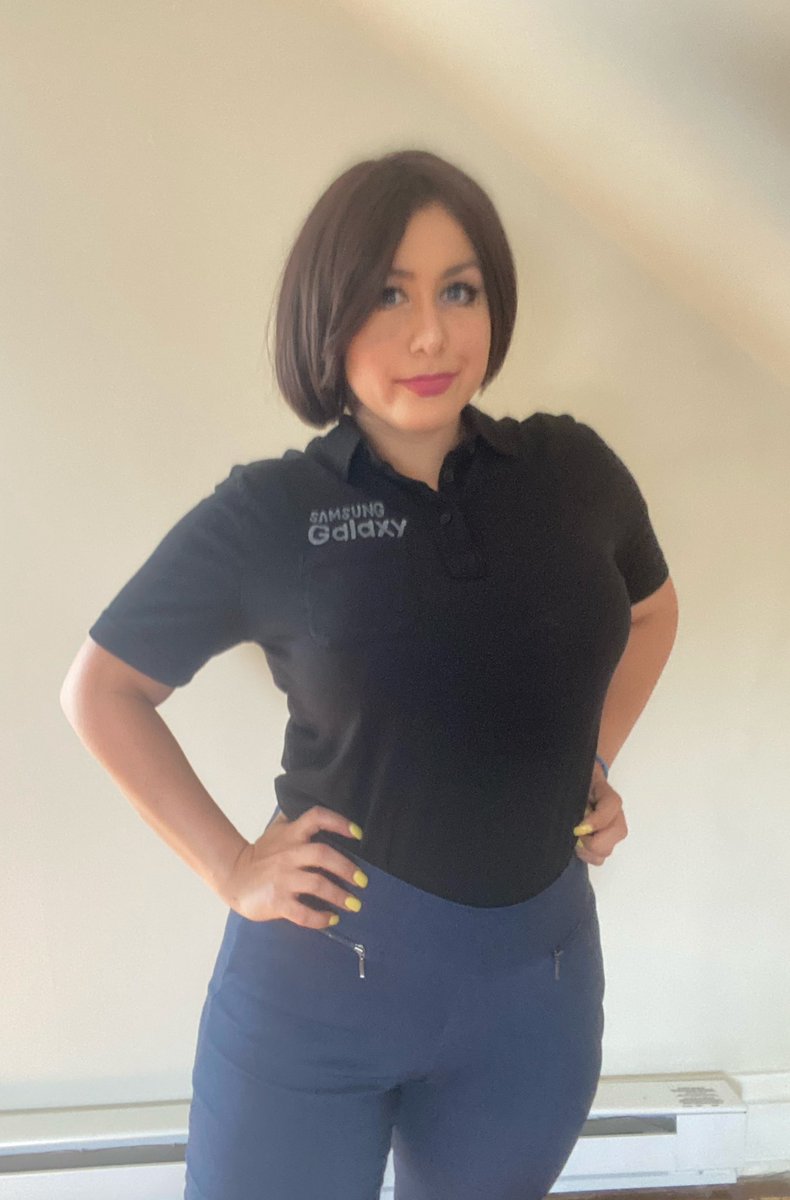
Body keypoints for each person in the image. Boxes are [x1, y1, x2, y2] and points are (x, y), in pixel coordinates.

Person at [60, 148, 679, 1200]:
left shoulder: (572, 474)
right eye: (389, 295)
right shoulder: (271, 513)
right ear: (328, 315)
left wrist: (593, 761)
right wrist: (230, 866)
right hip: (317, 993)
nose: (430, 334)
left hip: (534, 996)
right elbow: (103, 690)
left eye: (458, 291)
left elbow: (653, 612)